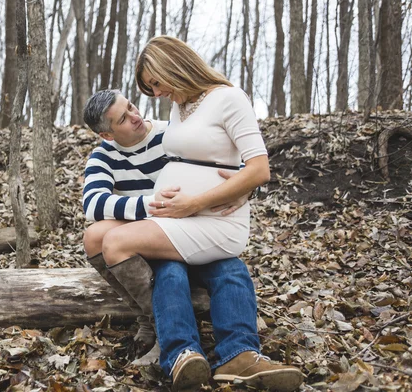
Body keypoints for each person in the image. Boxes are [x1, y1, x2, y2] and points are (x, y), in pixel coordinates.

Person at [82, 87, 303, 391]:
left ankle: (241, 354)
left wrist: (243, 190)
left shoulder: (170, 135)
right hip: (155, 242)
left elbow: (230, 165)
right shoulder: (103, 157)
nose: (136, 116)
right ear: (107, 135)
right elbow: (93, 205)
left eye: (132, 106)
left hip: (204, 227)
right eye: (123, 118)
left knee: (232, 270)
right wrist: (155, 205)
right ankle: (180, 353)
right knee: (170, 274)